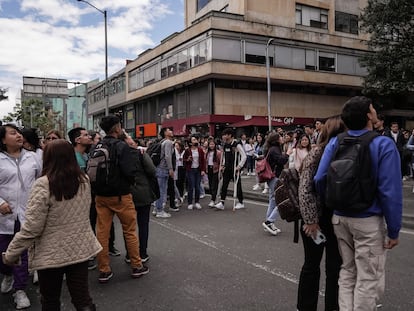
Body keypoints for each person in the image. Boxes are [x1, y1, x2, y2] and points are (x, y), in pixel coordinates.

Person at [314, 96, 402, 310]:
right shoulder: (383, 144)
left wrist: (332, 201)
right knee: (368, 277)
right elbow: (390, 191)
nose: (375, 113)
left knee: (347, 271)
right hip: (368, 220)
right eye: (372, 110)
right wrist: (394, 229)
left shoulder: (336, 142)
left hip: (340, 218)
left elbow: (319, 178)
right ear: (368, 116)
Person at [3, 139, 102, 311]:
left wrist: (12, 253)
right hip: (80, 248)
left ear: (47, 158)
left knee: (50, 300)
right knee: (82, 298)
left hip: (51, 253)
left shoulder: (43, 184)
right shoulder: (83, 180)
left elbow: (32, 227)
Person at [297, 115, 345, 311]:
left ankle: (333, 306)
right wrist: (310, 220)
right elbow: (305, 188)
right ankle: (306, 307)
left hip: (336, 218)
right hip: (316, 218)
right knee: (312, 266)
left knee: (335, 267)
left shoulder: (344, 153)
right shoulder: (317, 152)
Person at [95, 115, 149, 283]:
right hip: (120, 195)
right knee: (130, 230)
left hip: (100, 196)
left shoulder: (98, 146)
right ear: (117, 128)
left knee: (102, 233)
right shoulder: (121, 146)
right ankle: (136, 265)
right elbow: (129, 171)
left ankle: (104, 270)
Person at [0, 124, 42, 309]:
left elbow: (40, 181)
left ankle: (20, 290)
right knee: (4, 253)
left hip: (26, 214)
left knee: (22, 253)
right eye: (12, 133)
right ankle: (7, 274)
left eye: (18, 132)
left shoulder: (33, 157)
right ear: (3, 140)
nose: (18, 135)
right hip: (4, 217)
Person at [122, 134, 157, 264]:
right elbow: (152, 170)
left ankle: (129, 253)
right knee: (143, 225)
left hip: (126, 193)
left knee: (128, 226)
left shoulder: (119, 155)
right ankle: (142, 253)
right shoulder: (140, 154)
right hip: (142, 193)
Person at [261, 132, 289, 235]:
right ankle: (269, 221)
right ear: (276, 139)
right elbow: (281, 161)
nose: (282, 138)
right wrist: (287, 154)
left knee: (273, 200)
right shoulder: (274, 149)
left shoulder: (271, 148)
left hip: (271, 177)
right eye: (280, 137)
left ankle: (269, 223)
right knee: (281, 201)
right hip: (274, 177)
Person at [214, 128, 246, 210]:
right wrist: (223, 165)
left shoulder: (236, 144)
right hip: (227, 168)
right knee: (224, 185)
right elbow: (224, 156)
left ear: (230, 135)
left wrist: (239, 166)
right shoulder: (225, 145)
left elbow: (244, 156)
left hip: (235, 168)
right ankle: (222, 202)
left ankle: (241, 202)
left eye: (225, 135)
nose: (223, 136)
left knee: (238, 185)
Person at [154, 127, 175, 218]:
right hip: (163, 168)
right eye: (169, 130)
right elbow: (168, 156)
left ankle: (156, 208)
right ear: (165, 133)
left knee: (159, 189)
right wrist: (170, 168)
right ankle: (159, 210)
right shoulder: (168, 142)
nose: (171, 131)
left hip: (159, 168)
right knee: (162, 190)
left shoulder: (162, 142)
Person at [183, 135, 206, 210]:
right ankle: (190, 203)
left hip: (198, 170)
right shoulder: (187, 150)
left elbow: (203, 160)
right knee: (191, 186)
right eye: (193, 140)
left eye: (196, 139)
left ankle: (197, 202)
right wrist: (187, 160)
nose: (195, 141)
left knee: (197, 186)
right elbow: (184, 160)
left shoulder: (200, 150)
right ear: (190, 142)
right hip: (190, 170)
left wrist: (203, 170)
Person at [205, 138, 222, 207]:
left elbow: (221, 162)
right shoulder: (207, 152)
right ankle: (214, 198)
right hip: (209, 169)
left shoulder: (218, 152)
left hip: (216, 170)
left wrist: (220, 169)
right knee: (210, 184)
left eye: (213, 144)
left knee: (214, 185)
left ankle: (213, 199)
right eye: (210, 144)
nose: (211, 146)